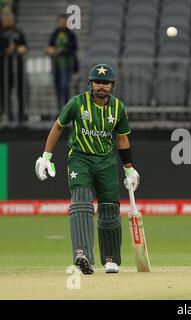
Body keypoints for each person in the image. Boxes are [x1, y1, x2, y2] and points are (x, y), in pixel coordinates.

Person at [34, 64, 140, 275]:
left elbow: (122, 138)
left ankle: (111, 259)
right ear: (90, 84)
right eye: (98, 82)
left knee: (110, 207)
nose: (102, 86)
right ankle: (82, 254)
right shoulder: (76, 103)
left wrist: (129, 169)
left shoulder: (118, 107)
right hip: (80, 158)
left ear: (112, 86)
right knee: (81, 202)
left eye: (106, 83)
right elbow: (58, 126)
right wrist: (46, 156)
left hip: (106, 161)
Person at [44, 14, 78, 110]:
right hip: (56, 65)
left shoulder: (71, 35)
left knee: (64, 85)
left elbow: (73, 48)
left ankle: (66, 106)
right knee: (57, 86)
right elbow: (50, 46)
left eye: (64, 22)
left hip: (67, 64)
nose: (62, 24)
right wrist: (48, 50)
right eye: (60, 22)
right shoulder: (54, 35)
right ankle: (60, 107)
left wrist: (60, 51)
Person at [0, 12, 27, 121]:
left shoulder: (18, 32)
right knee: (5, 91)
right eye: (5, 19)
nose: (8, 21)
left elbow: (24, 46)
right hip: (3, 69)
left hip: (18, 68)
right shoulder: (0, 33)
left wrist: (21, 49)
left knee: (20, 91)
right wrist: (6, 51)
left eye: (10, 19)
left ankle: (21, 114)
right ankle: (7, 114)